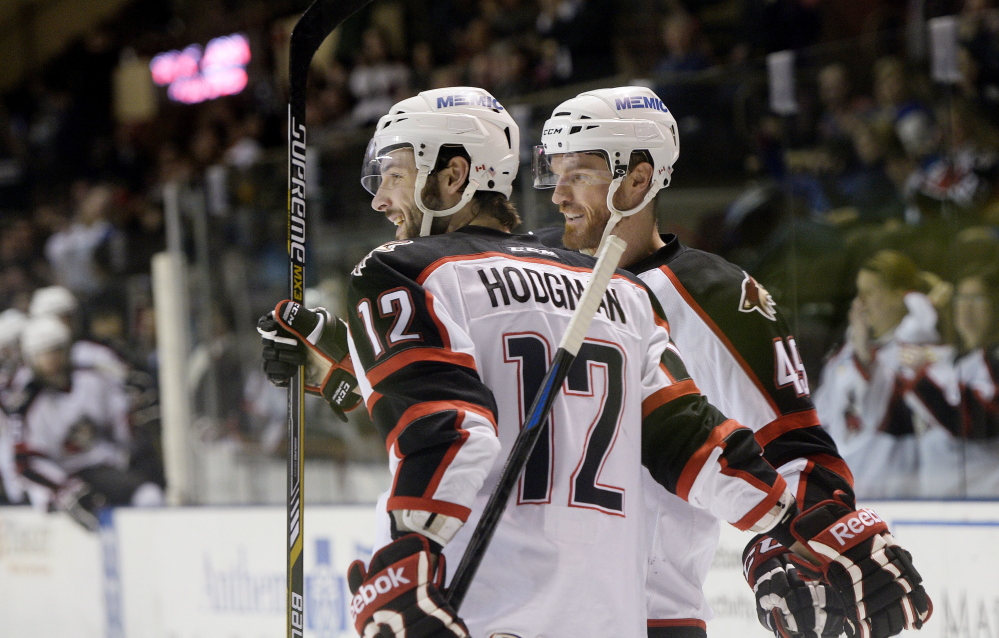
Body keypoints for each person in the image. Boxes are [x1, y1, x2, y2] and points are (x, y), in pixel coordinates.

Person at [260, 87, 818, 638]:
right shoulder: (617, 288)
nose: (381, 199)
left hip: (476, 610)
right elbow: (694, 442)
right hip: (613, 619)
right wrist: (797, 527)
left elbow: (453, 430)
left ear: (453, 177)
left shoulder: (405, 268)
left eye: (396, 175)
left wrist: (413, 550)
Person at [531, 86, 930, 638]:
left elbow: (796, 450)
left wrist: (793, 540)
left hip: (648, 616)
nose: (559, 195)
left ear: (639, 179)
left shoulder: (713, 295)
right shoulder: (526, 273)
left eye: (578, 174)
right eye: (554, 172)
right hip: (517, 610)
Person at [1, 315, 163, 530]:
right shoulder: (26, 403)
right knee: (76, 518)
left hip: (98, 466)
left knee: (149, 496)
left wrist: (135, 419)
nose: (51, 361)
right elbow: (25, 463)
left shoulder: (91, 379)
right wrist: (65, 491)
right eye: (43, 354)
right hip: (56, 477)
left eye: (56, 350)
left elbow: (118, 425)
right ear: (31, 359)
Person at [813, 250, 940, 501]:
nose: (859, 303)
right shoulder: (843, 355)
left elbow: (881, 416)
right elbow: (821, 419)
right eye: (857, 293)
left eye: (869, 292)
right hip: (845, 489)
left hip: (896, 490)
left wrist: (863, 354)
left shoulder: (921, 353)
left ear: (899, 297)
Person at [905, 266, 999, 496]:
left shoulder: (995, 360)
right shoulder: (950, 360)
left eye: (977, 298)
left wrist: (923, 378)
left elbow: (976, 424)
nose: (965, 307)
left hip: (986, 502)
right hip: (944, 501)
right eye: (961, 297)